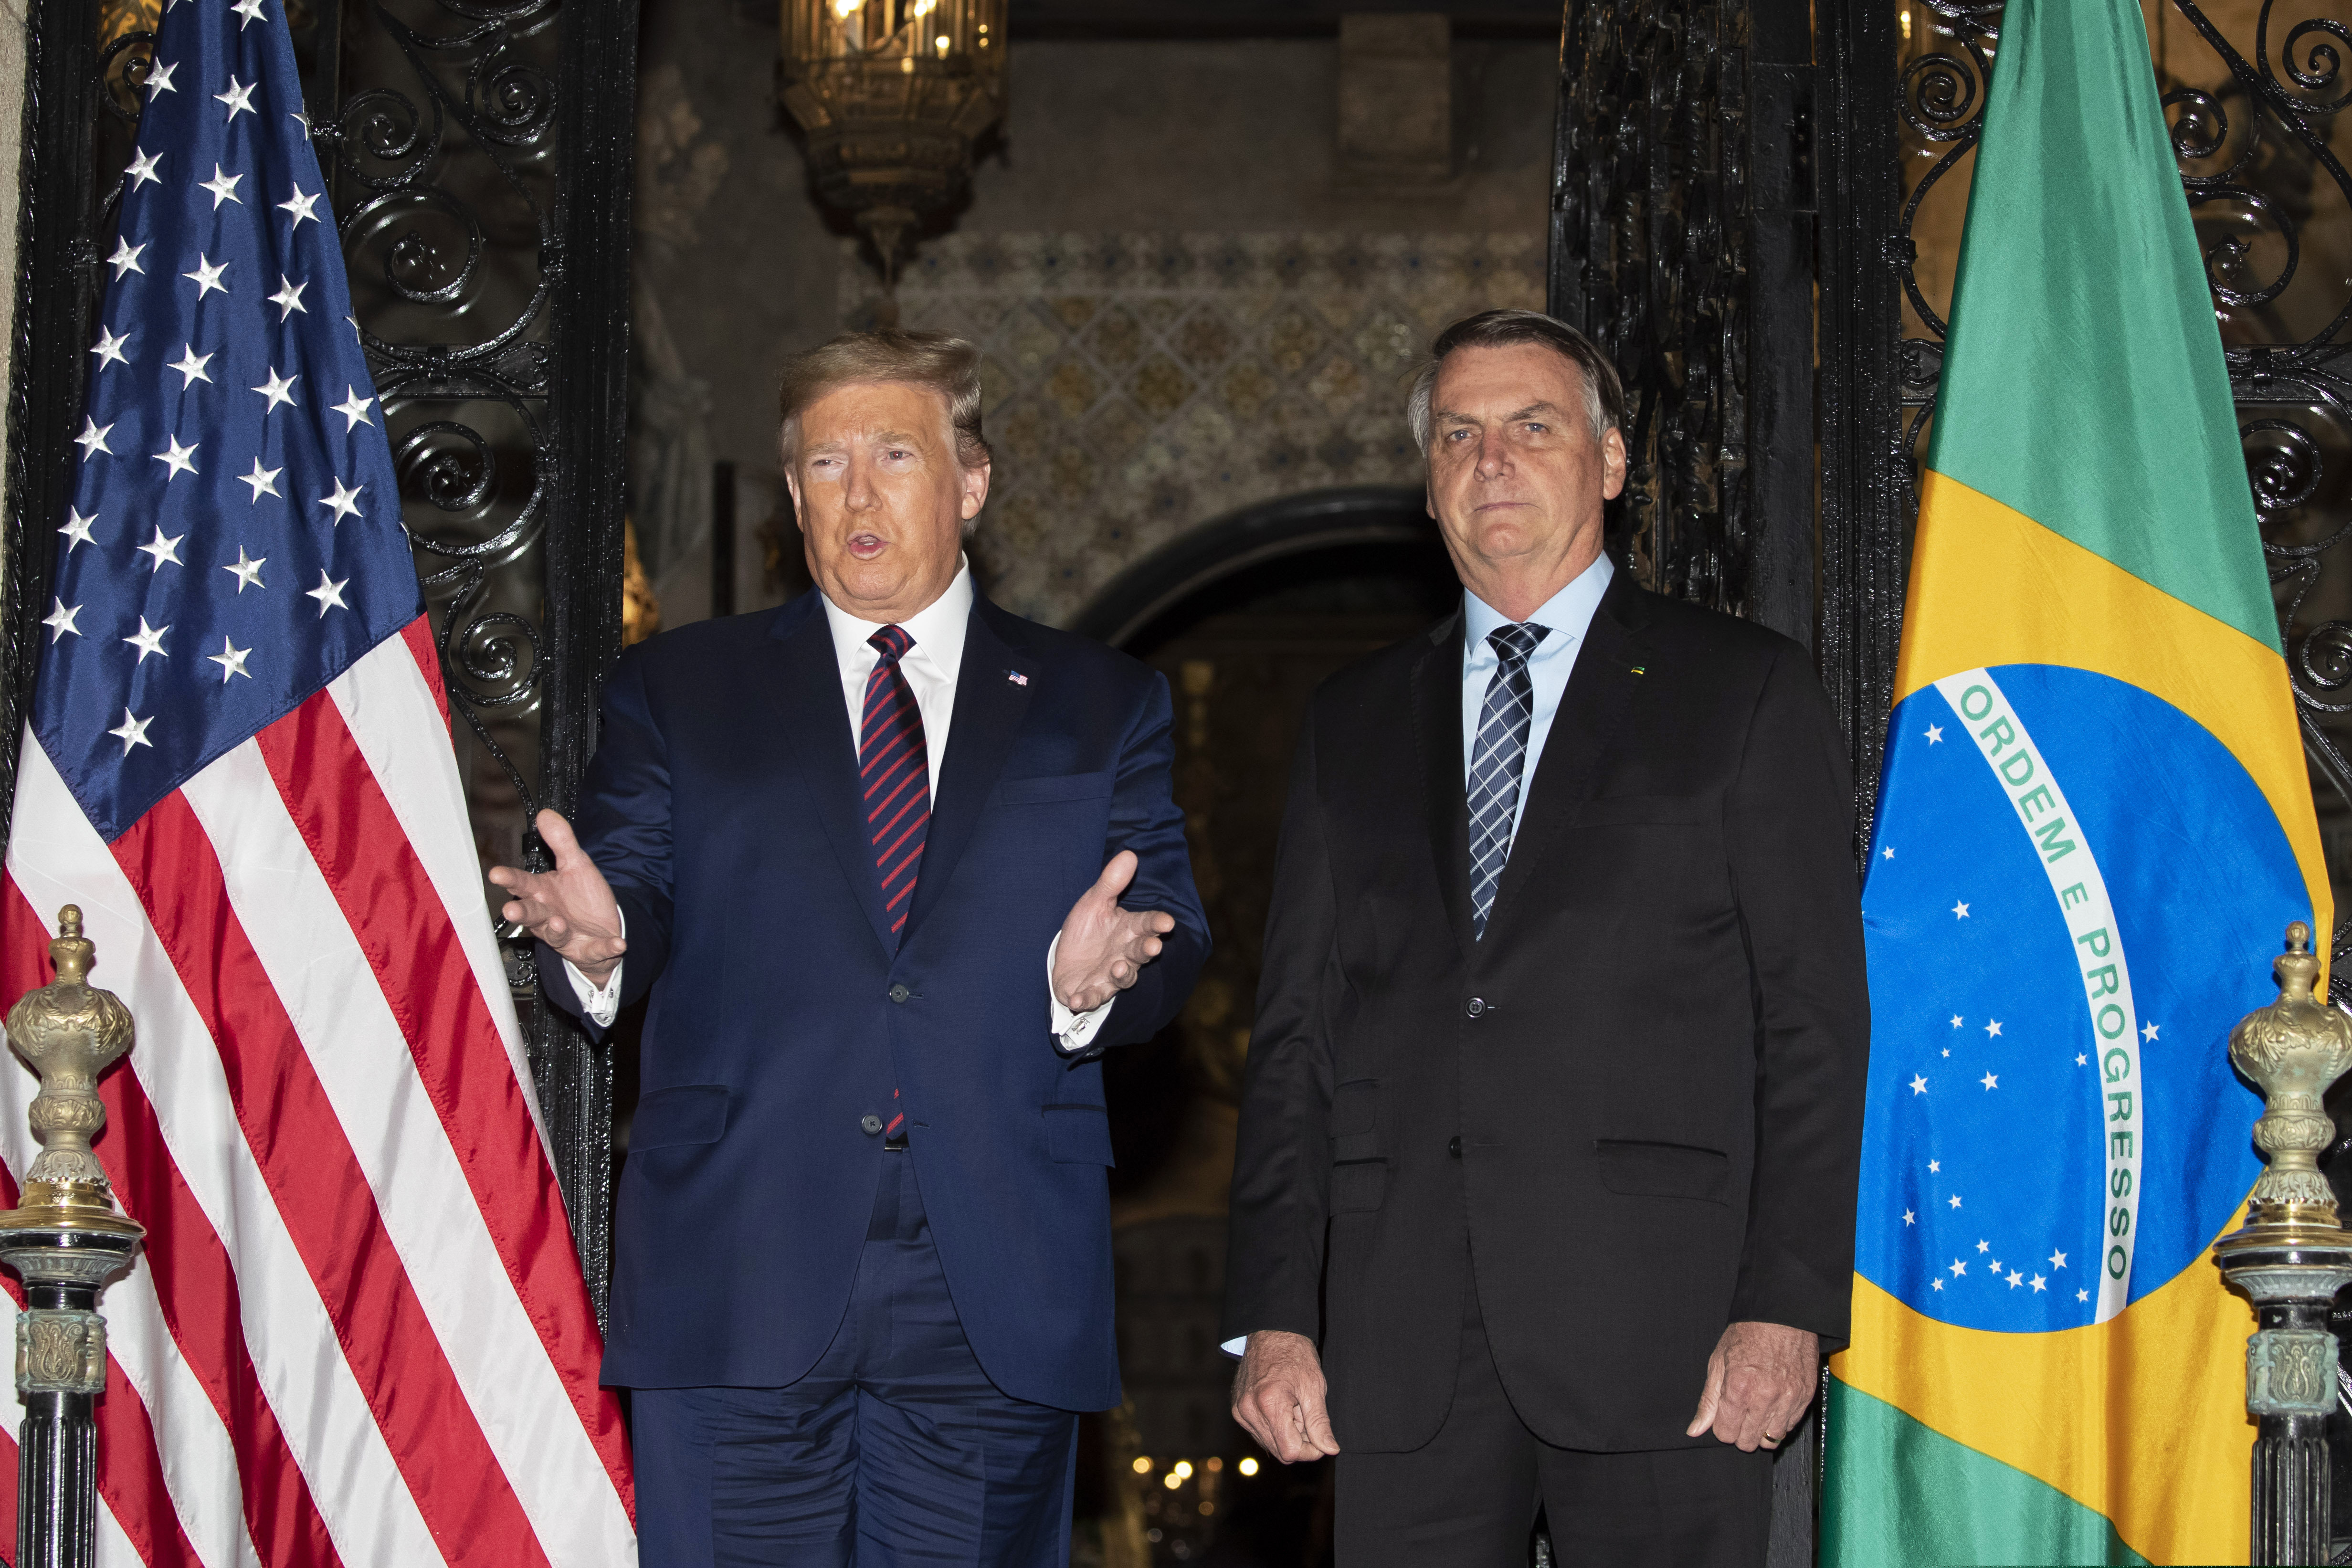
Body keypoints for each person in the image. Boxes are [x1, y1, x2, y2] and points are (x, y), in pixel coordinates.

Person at [490, 328, 1210, 1566]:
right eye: (826, 463)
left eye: (895, 455)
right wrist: (602, 947)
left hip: (993, 1272)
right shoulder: (680, 688)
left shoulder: (1100, 702)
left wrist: (1097, 987)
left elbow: (1171, 926)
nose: (859, 494)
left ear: (971, 480)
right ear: (792, 492)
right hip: (740, 1260)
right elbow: (629, 894)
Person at [1220, 308, 1869, 1567]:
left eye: (1531, 426)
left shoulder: (1740, 690)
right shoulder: (1352, 720)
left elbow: (1812, 1024)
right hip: (1399, 1331)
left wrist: (1786, 1304)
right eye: (1459, 436)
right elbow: (1296, 1037)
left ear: (1611, 460)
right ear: (1429, 484)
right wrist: (1273, 1317)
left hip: (1667, 1330)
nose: (1493, 461)